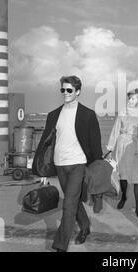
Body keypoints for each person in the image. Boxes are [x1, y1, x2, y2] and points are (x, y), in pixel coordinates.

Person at [35, 75, 103, 252]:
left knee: (68, 204)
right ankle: (85, 225)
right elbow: (46, 143)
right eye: (62, 90)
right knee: (73, 202)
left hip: (78, 164)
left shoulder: (87, 114)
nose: (65, 93)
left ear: (77, 92)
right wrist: (42, 171)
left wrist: (98, 166)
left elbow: (95, 142)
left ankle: (60, 246)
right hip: (59, 164)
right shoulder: (53, 115)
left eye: (69, 90)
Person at [106, 88, 138, 219]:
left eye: (133, 98)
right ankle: (124, 196)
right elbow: (116, 129)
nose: (130, 100)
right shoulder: (123, 112)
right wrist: (110, 148)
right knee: (123, 175)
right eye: (129, 98)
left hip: (137, 146)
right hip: (123, 145)